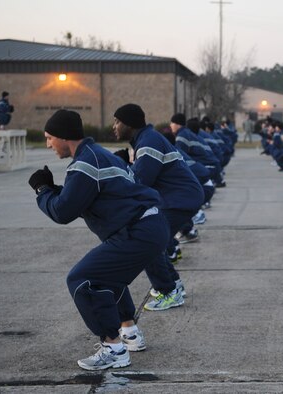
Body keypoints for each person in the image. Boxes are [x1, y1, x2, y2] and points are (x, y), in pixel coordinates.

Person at [28, 109, 170, 370]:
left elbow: (62, 211)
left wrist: (42, 191)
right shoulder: (99, 154)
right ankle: (129, 333)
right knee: (109, 276)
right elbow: (82, 197)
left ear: (63, 136)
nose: (48, 144)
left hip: (138, 231)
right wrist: (55, 190)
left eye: (50, 138)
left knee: (81, 279)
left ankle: (113, 348)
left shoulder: (85, 164)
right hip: (151, 226)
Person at [111, 103, 204, 310]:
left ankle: (169, 292)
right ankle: (174, 285)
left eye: (117, 121)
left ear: (129, 124)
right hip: (177, 198)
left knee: (146, 241)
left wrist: (122, 166)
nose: (114, 126)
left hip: (179, 199)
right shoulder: (146, 139)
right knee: (154, 241)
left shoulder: (148, 142)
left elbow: (140, 182)